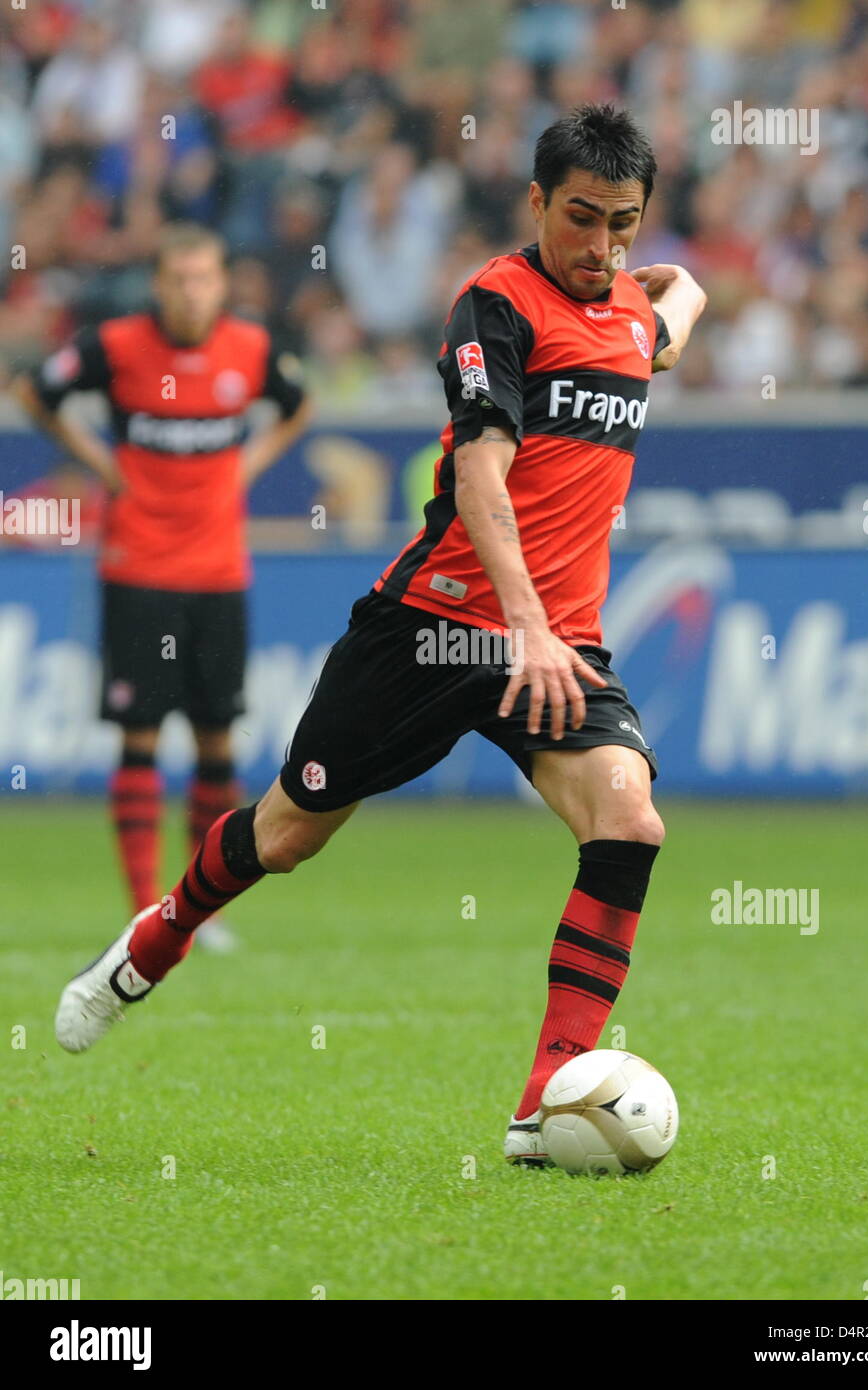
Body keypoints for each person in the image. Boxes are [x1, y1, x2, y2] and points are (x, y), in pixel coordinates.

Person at [54, 106, 706, 1166]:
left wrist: (671, 284)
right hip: (433, 628)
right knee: (287, 834)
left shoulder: (633, 307)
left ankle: (544, 1104)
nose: (600, 246)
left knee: (630, 821)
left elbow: (672, 309)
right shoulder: (492, 305)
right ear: (535, 200)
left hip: (559, 646)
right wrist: (525, 627)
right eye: (580, 218)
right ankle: (151, 942)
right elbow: (482, 474)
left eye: (623, 224)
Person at [15, 223, 312, 951]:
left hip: (218, 571)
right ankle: (142, 905)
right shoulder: (114, 347)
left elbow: (298, 405)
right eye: (179, 278)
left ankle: (195, 908)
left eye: (205, 277)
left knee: (216, 743)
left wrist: (246, 464)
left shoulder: (249, 348)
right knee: (139, 738)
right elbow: (35, 393)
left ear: (222, 282)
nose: (192, 291)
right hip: (138, 567)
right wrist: (101, 463)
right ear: (158, 284)